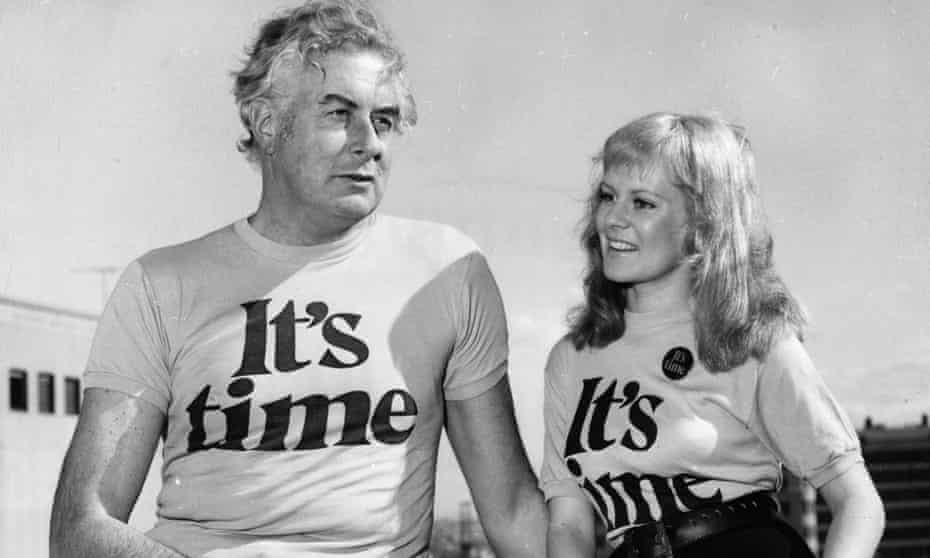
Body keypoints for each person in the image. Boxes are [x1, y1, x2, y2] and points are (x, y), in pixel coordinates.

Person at [49, 1, 546, 556]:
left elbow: (512, 513)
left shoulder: (448, 274)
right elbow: (81, 528)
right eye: (338, 114)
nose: (370, 142)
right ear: (267, 124)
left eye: (382, 119)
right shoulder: (160, 285)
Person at [541, 113, 885, 558]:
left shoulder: (751, 340)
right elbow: (567, 527)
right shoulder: (572, 358)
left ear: (703, 224)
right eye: (608, 196)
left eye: (643, 203)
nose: (612, 219)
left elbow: (859, 502)